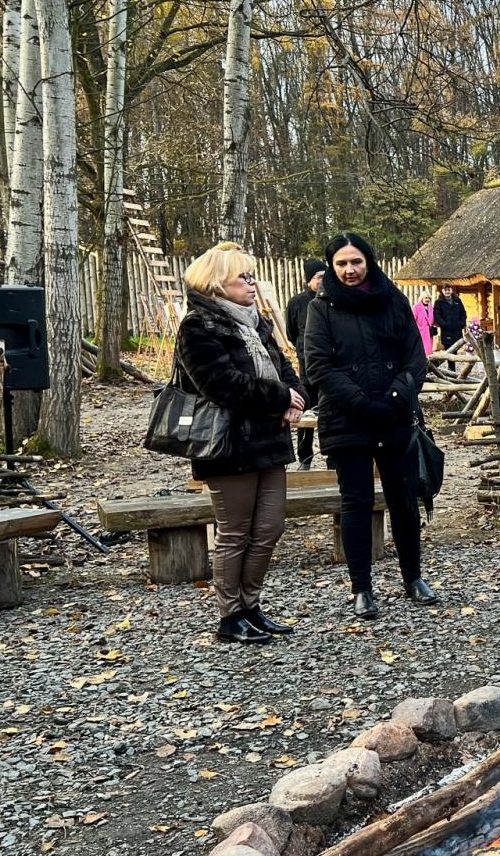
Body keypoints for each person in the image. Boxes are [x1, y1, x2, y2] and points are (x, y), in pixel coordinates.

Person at [174, 243, 306, 643]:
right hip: (228, 446)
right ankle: (230, 615)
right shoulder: (198, 327)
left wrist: (295, 397)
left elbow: (286, 367)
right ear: (217, 283)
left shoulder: (257, 324)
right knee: (235, 531)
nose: (252, 283)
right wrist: (280, 398)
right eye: (243, 277)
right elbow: (221, 385)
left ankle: (251, 605)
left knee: (269, 528)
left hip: (269, 441)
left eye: (252, 276)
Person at [303, 231, 438, 618]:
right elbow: (319, 366)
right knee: (357, 502)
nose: (349, 270)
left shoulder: (392, 299)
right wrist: (362, 403)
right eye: (342, 263)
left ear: (369, 261)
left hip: (394, 416)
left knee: (403, 499)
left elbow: (415, 354)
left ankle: (413, 576)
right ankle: (362, 587)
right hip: (348, 419)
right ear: (332, 265)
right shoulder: (322, 307)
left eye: (356, 262)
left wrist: (397, 396)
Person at [285, 258, 325, 469]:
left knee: (329, 415)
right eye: (319, 277)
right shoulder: (297, 302)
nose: (322, 281)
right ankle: (305, 458)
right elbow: (291, 332)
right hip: (306, 367)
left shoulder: (331, 299)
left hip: (328, 368)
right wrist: (303, 348)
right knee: (305, 415)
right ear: (309, 279)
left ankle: (332, 457)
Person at [435, 284, 468, 353]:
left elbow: (463, 313)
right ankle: (451, 364)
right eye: (445, 290)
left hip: (457, 330)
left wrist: (462, 323)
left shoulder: (457, 301)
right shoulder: (438, 302)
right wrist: (444, 324)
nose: (447, 292)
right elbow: (437, 316)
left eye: (449, 290)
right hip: (446, 331)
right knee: (449, 351)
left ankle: (453, 363)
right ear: (442, 291)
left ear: (451, 290)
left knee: (455, 349)